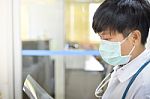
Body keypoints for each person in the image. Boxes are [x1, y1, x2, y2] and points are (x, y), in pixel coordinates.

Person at [92, 0, 150, 99]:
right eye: (101, 38)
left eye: (107, 39)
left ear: (134, 37)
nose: (103, 45)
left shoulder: (145, 86)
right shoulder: (124, 64)